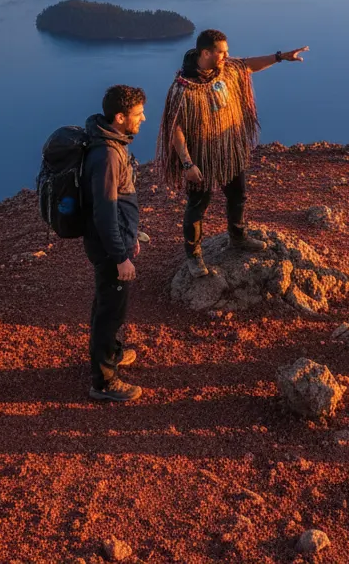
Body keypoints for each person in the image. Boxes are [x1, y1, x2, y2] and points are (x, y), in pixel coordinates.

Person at [157, 29, 309, 278]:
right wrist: (188, 164)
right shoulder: (182, 89)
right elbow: (176, 129)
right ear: (205, 52)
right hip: (201, 156)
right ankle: (194, 256)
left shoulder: (225, 69)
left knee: (238, 195)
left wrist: (280, 57)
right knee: (197, 205)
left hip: (229, 149)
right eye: (222, 52)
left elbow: (247, 65)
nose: (227, 56)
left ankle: (237, 236)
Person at [83, 85, 146, 403]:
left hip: (113, 242)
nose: (143, 119)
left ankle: (111, 353)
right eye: (137, 114)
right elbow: (105, 211)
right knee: (111, 311)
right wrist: (121, 255)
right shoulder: (108, 155)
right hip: (110, 248)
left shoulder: (111, 144)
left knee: (107, 305)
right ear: (120, 117)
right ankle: (104, 382)